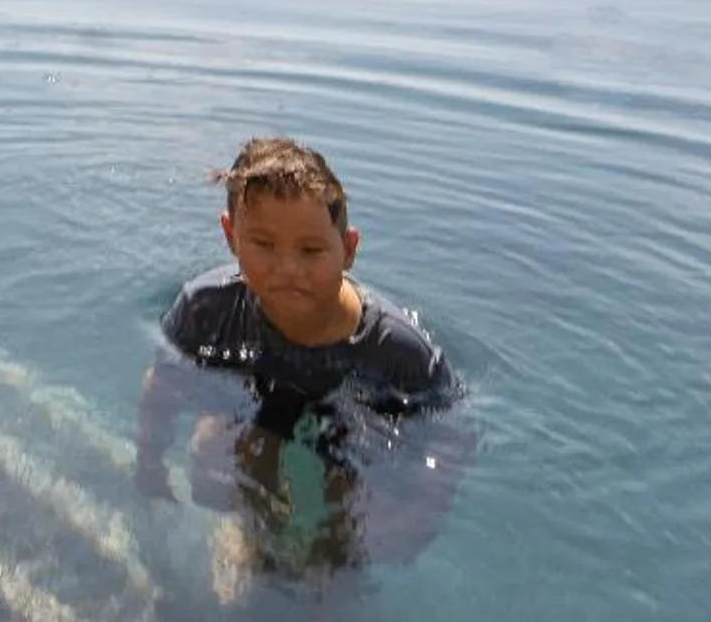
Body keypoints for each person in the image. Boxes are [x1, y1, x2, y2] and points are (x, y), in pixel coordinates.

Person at [135, 137, 472, 597]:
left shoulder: (398, 351)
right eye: (263, 244)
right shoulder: (205, 310)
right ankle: (251, 534)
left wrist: (419, 514)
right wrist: (149, 464)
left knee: (343, 533)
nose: (287, 267)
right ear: (230, 235)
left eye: (311, 251)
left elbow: (452, 431)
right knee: (209, 473)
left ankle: (325, 580)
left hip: (354, 426)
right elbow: (163, 386)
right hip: (260, 402)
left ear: (348, 249)